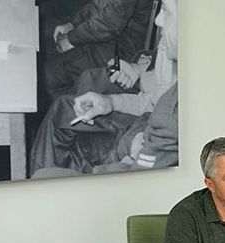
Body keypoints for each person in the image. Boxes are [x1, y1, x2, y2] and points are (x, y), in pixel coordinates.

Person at [30, 0, 178, 177]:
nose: (157, 20)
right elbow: (149, 101)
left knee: (55, 79)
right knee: (62, 108)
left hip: (135, 143)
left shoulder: (176, 108)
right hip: (140, 123)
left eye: (166, 12)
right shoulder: (168, 48)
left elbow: (148, 156)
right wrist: (110, 102)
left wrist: (129, 145)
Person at [42, 0, 155, 99]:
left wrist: (71, 39)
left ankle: (66, 112)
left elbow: (109, 24)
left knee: (49, 75)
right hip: (106, 36)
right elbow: (96, 5)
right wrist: (73, 23)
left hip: (122, 50)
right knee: (47, 44)